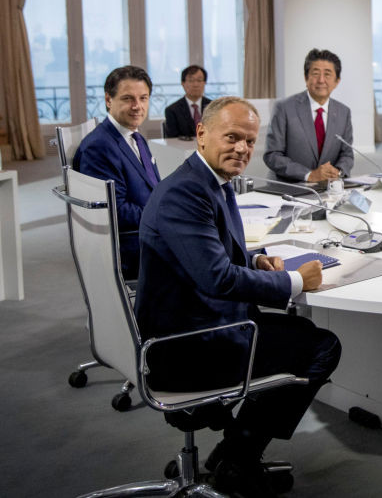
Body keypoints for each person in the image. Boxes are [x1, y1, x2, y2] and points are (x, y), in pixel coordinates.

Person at [136, 97, 341, 497]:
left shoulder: (207, 180)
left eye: (249, 141)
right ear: (201, 133)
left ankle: (231, 454)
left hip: (198, 323)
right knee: (321, 346)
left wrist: (256, 259)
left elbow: (209, 252)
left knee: (301, 333)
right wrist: (295, 281)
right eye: (232, 137)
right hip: (186, 347)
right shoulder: (186, 193)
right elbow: (216, 278)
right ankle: (238, 462)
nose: (242, 148)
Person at [73, 65, 160, 280]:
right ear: (108, 100)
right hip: (134, 246)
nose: (137, 106)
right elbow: (115, 211)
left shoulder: (135, 137)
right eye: (128, 98)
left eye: (143, 98)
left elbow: (153, 187)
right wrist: (164, 215)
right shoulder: (99, 147)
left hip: (150, 232)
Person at [264, 48, 354, 183]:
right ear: (306, 78)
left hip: (328, 187)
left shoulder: (344, 112)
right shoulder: (283, 108)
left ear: (337, 81)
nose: (321, 80)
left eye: (327, 74)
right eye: (315, 73)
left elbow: (347, 154)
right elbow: (272, 155)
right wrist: (308, 175)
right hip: (289, 187)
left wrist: (338, 172)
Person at [163, 64, 212, 138]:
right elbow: (172, 140)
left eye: (199, 80)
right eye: (191, 80)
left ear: (204, 83)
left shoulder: (214, 107)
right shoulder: (172, 110)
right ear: (183, 84)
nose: (195, 85)